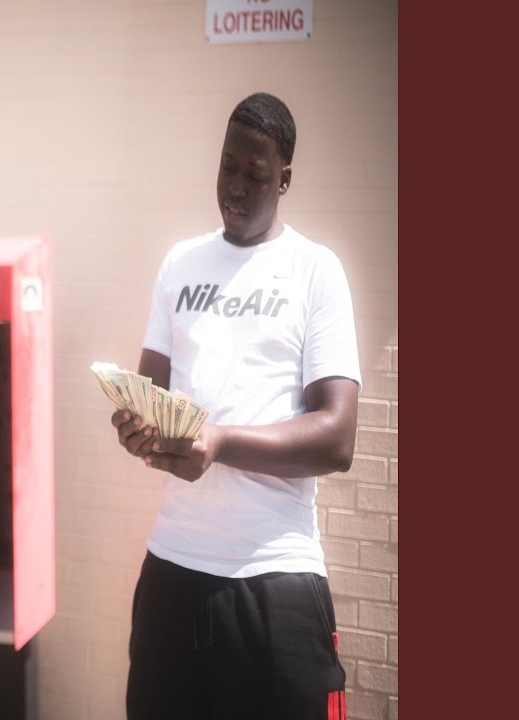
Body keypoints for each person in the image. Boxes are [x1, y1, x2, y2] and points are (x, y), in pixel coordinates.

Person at [113, 92, 362, 719]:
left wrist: (219, 443)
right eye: (228, 167)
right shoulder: (180, 264)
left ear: (284, 179)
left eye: (255, 174)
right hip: (172, 569)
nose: (236, 187)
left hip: (275, 578)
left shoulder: (315, 271)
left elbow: (337, 437)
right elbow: (152, 395)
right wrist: (138, 431)